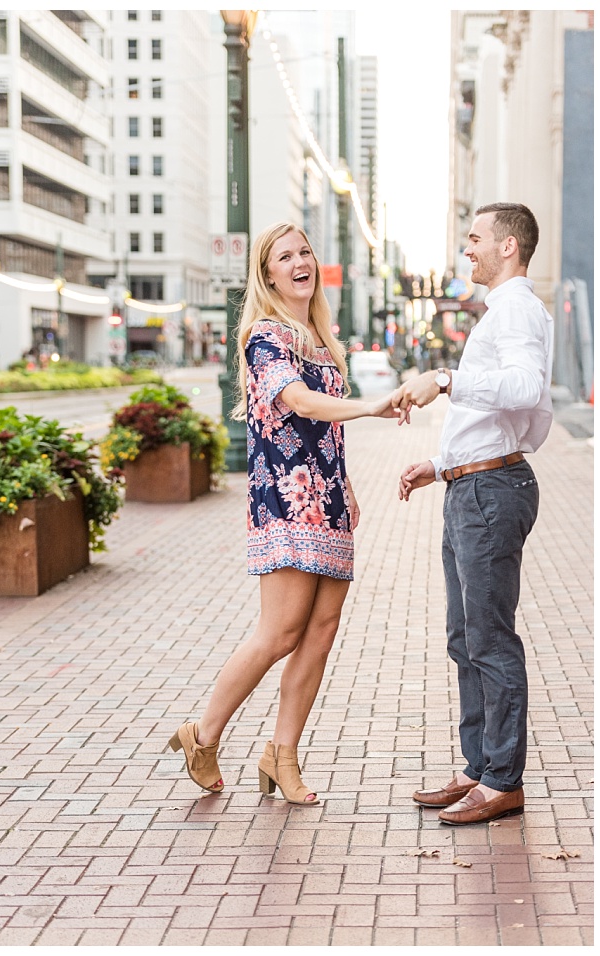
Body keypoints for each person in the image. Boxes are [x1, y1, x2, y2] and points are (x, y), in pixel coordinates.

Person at [168, 222, 398, 804]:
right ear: (267, 274)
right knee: (279, 632)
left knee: (320, 633)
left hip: (329, 501)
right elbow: (295, 401)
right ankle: (203, 734)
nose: (299, 262)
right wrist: (368, 406)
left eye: (305, 252)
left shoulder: (323, 337)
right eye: (284, 256)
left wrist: (345, 484)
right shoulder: (265, 336)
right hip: (287, 498)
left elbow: (319, 430)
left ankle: (282, 755)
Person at [392, 202, 551, 826]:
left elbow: (524, 390)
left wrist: (447, 380)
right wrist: (438, 465)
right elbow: (503, 419)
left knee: (488, 639)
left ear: (508, 247)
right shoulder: (502, 311)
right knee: (467, 638)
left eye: (476, 239)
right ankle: (480, 766)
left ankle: (502, 780)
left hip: (490, 494)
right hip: (472, 488)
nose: (468, 250)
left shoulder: (515, 308)